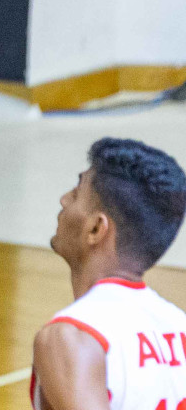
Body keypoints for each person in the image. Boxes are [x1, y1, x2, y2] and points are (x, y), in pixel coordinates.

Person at [32, 138, 186, 410]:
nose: (64, 200)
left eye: (77, 193)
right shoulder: (179, 324)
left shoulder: (72, 337)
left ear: (96, 229)